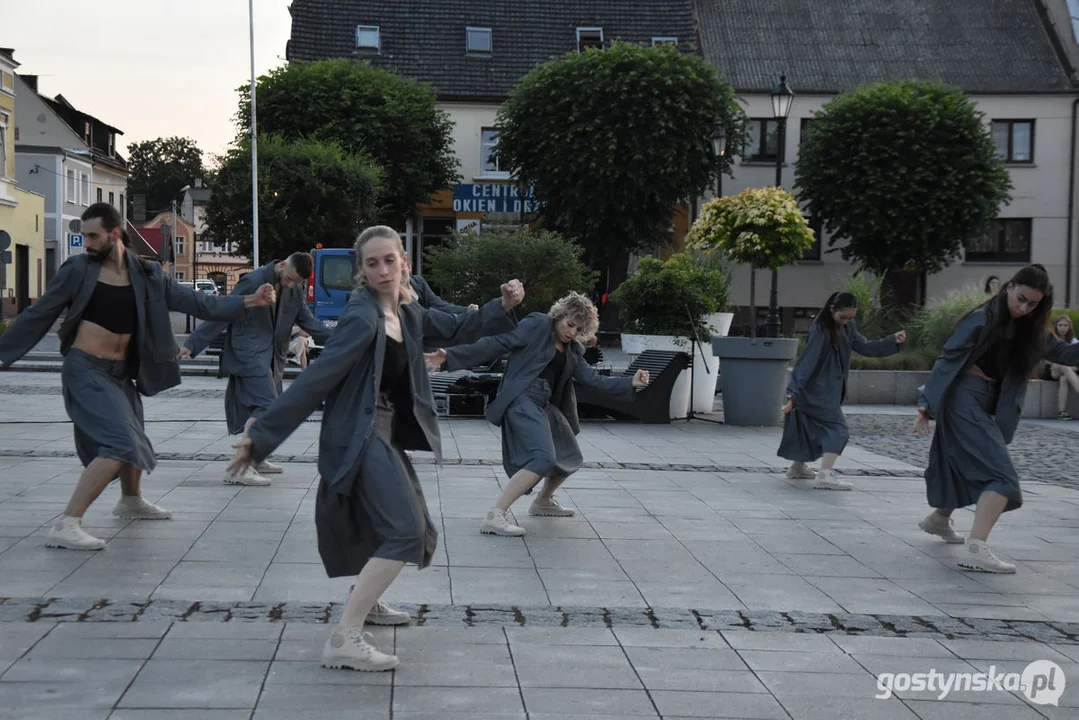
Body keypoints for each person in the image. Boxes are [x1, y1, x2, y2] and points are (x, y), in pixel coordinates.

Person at [225, 225, 525, 672]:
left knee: (413, 526)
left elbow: (460, 325)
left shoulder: (405, 310)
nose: (383, 270)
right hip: (360, 430)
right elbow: (317, 377)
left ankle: (369, 599)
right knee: (404, 529)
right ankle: (345, 636)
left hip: (383, 430)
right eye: (372, 263)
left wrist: (504, 304)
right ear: (362, 272)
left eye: (390, 260)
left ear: (404, 262)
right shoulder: (362, 315)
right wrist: (260, 436)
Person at [0, 203, 276, 550]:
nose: (86, 242)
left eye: (92, 236)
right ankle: (67, 523)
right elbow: (38, 315)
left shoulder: (147, 276)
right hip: (85, 369)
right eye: (83, 235)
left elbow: (197, 303)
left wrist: (250, 300)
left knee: (134, 433)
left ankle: (130, 500)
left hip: (119, 373)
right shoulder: (78, 270)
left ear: (115, 235)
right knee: (120, 443)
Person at [426, 292, 649, 536]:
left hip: (544, 404)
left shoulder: (573, 349)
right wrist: (451, 356)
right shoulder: (538, 325)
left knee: (569, 455)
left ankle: (543, 501)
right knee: (542, 458)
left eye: (579, 329)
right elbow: (499, 343)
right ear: (559, 316)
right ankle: (496, 515)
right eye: (570, 324)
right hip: (522, 398)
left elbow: (593, 380)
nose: (572, 332)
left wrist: (630, 383)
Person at [915, 265, 1079, 573]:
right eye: (1021, 299)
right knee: (1001, 477)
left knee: (959, 463)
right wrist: (926, 403)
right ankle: (976, 548)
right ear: (1008, 287)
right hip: (962, 397)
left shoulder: (1031, 330)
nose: (1024, 308)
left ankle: (939, 519)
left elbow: (1064, 353)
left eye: (1033, 304)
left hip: (980, 401)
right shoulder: (982, 319)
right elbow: (948, 357)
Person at [181, 253, 330, 486]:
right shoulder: (253, 281)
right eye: (289, 279)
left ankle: (257, 458)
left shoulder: (295, 289)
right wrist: (193, 343)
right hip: (248, 352)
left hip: (272, 356)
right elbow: (224, 311)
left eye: (296, 282)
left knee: (266, 407)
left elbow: (309, 323)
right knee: (268, 406)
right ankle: (241, 467)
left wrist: (343, 340)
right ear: (282, 264)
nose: (291, 285)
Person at [779, 292, 906, 490]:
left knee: (806, 425)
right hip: (818, 390)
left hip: (824, 389)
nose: (846, 321)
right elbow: (806, 362)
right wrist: (792, 393)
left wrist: (892, 341)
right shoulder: (821, 330)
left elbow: (865, 347)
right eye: (843, 317)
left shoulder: (847, 327)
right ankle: (825, 475)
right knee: (838, 429)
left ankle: (797, 467)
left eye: (850, 317)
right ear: (832, 309)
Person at [1048, 314, 1079, 420]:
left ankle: (1061, 412)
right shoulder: (1051, 340)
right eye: (1060, 325)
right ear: (1056, 326)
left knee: (1064, 378)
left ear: (1069, 327)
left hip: (1068, 370)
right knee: (1064, 367)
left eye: (1065, 325)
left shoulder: (1074, 342)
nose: (1062, 328)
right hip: (1052, 370)